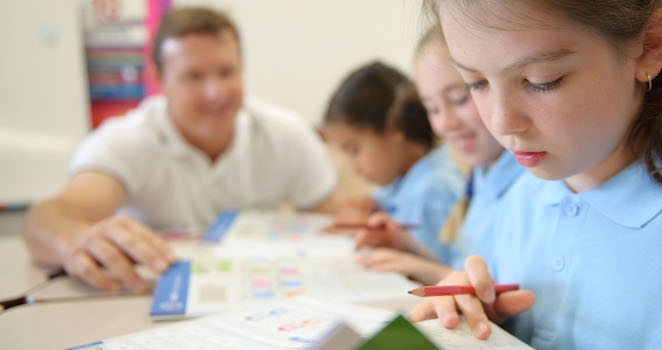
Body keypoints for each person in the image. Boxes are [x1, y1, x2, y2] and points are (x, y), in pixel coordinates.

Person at [409, 0, 662, 348]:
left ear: (651, 45)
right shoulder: (522, 197)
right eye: (474, 83)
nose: (501, 122)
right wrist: (486, 326)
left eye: (542, 81)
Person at [23, 7, 346, 293]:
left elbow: (336, 216)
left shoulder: (284, 133)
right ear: (160, 80)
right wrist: (71, 239)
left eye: (226, 72)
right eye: (194, 76)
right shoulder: (128, 139)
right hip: (144, 301)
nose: (215, 92)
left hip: (264, 302)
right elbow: (51, 216)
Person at [355, 25, 526, 285]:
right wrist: (406, 245)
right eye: (432, 108)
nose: (445, 123)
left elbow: (500, 300)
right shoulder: (482, 174)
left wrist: (426, 270)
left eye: (459, 99)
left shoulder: (531, 182)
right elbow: (464, 272)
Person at [322, 61, 464, 264]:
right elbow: (372, 203)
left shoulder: (432, 188)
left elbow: (436, 273)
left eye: (354, 150)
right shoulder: (402, 180)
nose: (354, 168)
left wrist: (366, 230)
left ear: (394, 128)